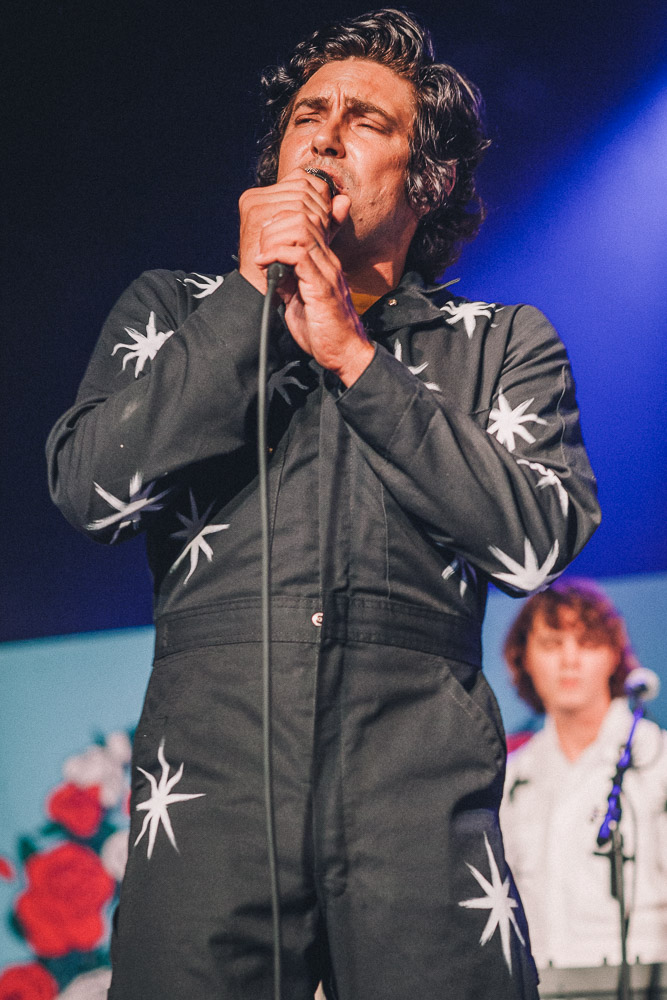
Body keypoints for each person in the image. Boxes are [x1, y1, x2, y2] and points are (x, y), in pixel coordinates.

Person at [45, 9, 600, 999]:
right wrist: (244, 304)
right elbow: (90, 488)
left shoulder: (499, 342)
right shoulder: (172, 310)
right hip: (210, 792)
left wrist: (352, 354)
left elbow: (534, 541)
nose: (325, 135)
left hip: (416, 798)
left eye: (365, 120)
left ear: (428, 179)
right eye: (307, 114)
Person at [500, 581, 667, 970]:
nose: (569, 659)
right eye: (552, 644)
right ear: (523, 658)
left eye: (587, 642)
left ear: (614, 655)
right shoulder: (510, 777)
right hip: (537, 982)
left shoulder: (658, 760)